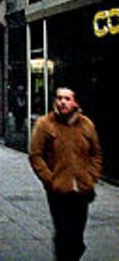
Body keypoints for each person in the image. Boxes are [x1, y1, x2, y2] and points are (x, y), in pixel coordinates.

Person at [29, 87, 102, 261]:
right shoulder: (45, 124)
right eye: (59, 98)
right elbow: (35, 155)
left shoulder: (86, 125)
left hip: (82, 189)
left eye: (67, 98)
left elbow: (96, 153)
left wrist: (91, 176)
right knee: (63, 233)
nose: (62, 102)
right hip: (58, 190)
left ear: (75, 102)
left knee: (77, 237)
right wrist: (50, 179)